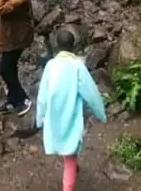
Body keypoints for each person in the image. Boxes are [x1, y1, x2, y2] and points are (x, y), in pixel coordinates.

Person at [36, 29, 107, 191]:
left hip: (54, 116)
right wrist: (101, 114)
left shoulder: (50, 66)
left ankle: (73, 167)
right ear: (72, 46)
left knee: (65, 148)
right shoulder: (77, 67)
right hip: (71, 115)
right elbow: (91, 94)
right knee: (70, 154)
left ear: (57, 46)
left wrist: (40, 119)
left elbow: (42, 96)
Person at [0, 0, 34, 116]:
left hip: (17, 38)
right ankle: (13, 100)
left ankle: (23, 99)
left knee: (5, 69)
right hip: (14, 35)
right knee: (11, 68)